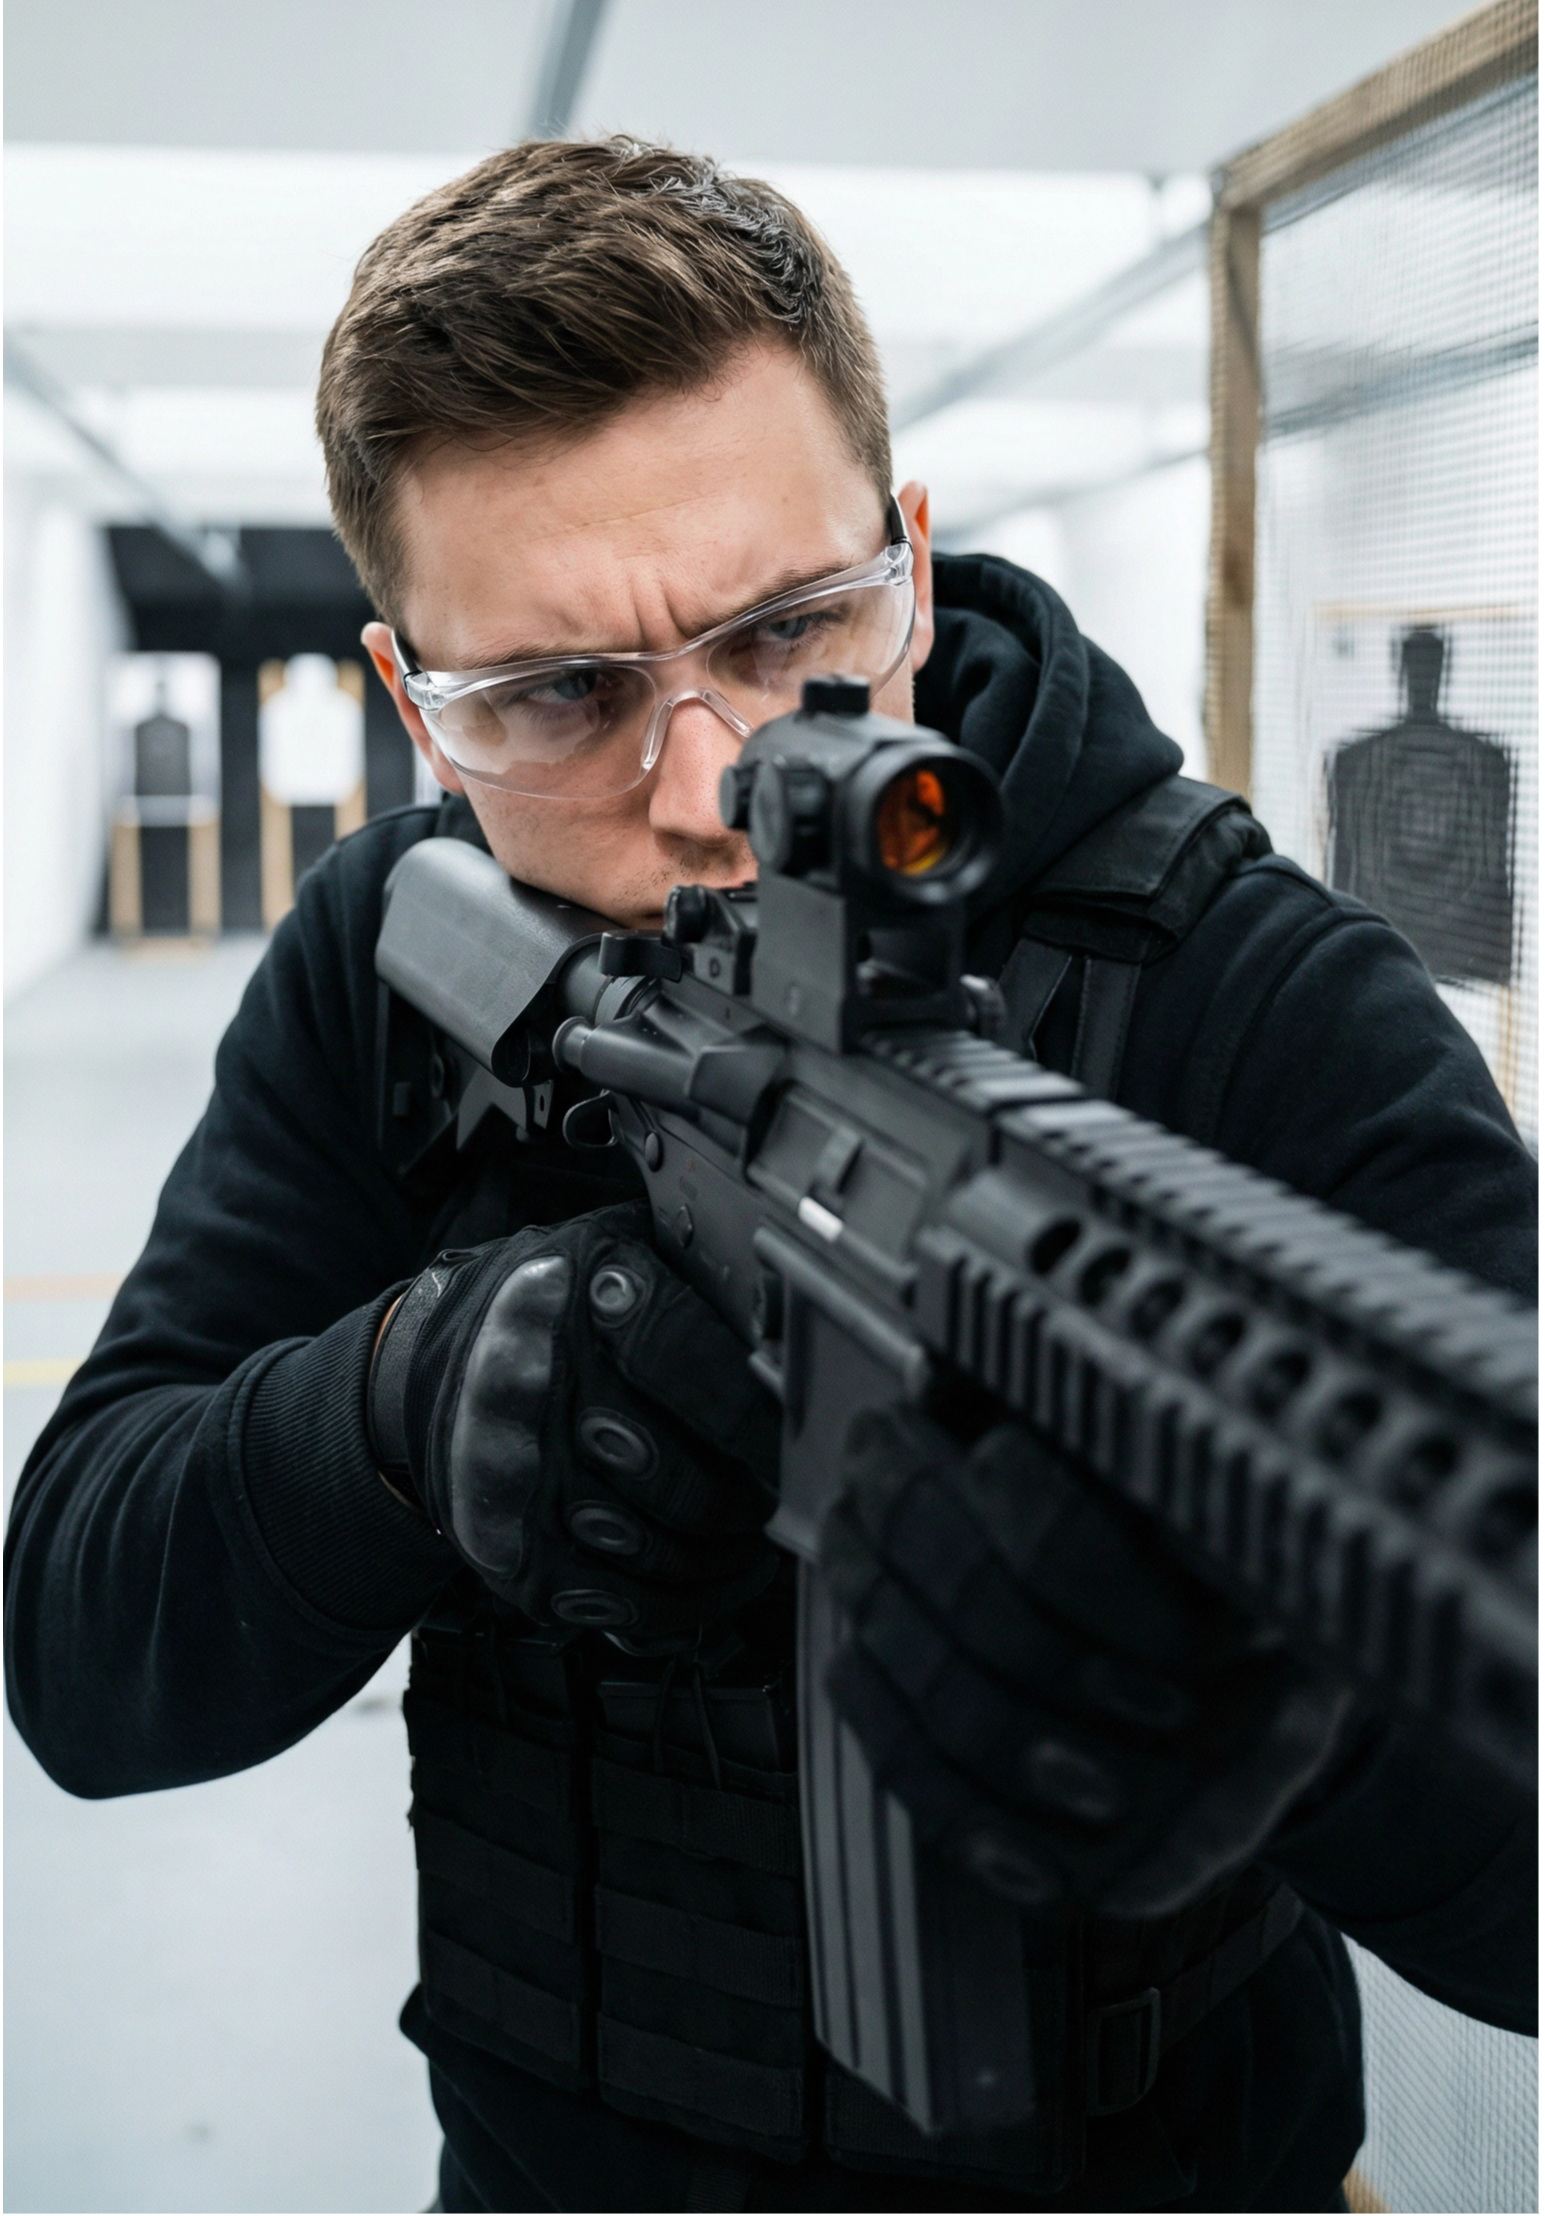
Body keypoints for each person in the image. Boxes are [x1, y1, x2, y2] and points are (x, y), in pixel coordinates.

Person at [4, 141, 1532, 2216]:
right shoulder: (397, 965)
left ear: (905, 552)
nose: (713, 780)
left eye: (797, 623)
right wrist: (390, 1408)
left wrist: (1304, 1711)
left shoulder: (1232, 988)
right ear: (412, 708)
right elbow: (83, 1659)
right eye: (561, 695)